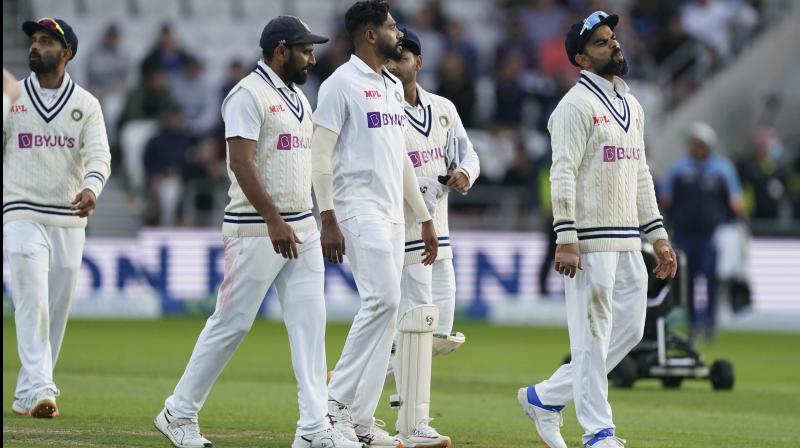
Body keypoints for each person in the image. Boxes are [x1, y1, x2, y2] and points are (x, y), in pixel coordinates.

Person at [153, 16, 362, 448]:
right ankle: (178, 413)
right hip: (254, 227)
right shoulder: (247, 94)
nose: (313, 57)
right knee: (231, 324)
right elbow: (240, 162)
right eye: (305, 50)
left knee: (310, 326)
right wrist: (272, 219)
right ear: (280, 50)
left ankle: (314, 428)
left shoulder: (299, 97)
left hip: (300, 224)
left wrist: (323, 217)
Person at [516, 11, 677, 448]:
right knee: (590, 337)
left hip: (629, 238)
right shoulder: (574, 106)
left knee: (630, 331)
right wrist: (566, 237)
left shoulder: (632, 104)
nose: (614, 46)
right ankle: (598, 432)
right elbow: (562, 172)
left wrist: (658, 235)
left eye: (613, 38)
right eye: (602, 43)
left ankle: (544, 398)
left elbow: (641, 174)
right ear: (582, 60)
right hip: (588, 240)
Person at [311, 1, 438, 446]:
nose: (397, 33)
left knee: (386, 314)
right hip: (355, 207)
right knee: (383, 299)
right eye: (390, 26)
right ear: (369, 34)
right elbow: (320, 156)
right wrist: (327, 216)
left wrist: (423, 218)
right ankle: (334, 403)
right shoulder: (339, 84)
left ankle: (361, 423)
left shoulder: (387, 84)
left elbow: (400, 158)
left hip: (390, 212)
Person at [4, 17, 111, 418]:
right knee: (31, 298)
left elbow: (100, 155)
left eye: (46, 41)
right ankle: (43, 388)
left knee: (56, 306)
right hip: (21, 211)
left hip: (68, 217)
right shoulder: (11, 96)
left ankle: (25, 392)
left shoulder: (86, 104)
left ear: (66, 53)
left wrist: (92, 188)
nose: (35, 46)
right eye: (34, 40)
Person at [384, 26, 480, 447]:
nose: (393, 64)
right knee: (418, 329)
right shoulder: (382, 110)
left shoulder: (442, 108)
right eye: (388, 57)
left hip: (440, 233)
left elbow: (469, 153)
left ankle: (358, 378)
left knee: (438, 331)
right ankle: (413, 421)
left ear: (418, 62)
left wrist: (464, 174)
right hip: (404, 234)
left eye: (401, 57)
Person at [660, 122, 744, 341]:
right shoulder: (679, 169)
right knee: (686, 281)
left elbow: (735, 202)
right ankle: (693, 323)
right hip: (684, 234)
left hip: (711, 235)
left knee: (711, 280)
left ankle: (710, 322)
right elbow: (666, 199)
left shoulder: (722, 169)